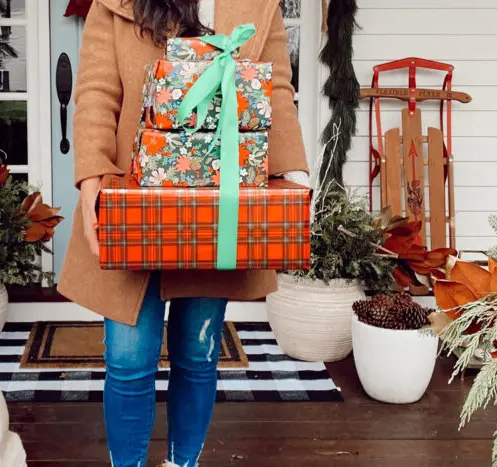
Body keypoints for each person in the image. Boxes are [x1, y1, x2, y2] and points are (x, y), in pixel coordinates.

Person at [57, 1, 310, 465]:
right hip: (134, 205)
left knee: (197, 357)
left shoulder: (258, 6)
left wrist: (291, 177)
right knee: (129, 362)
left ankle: (182, 462)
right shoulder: (115, 5)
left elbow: (275, 91)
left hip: (216, 211)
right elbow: (95, 93)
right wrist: (92, 180)